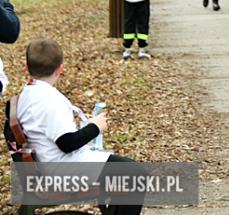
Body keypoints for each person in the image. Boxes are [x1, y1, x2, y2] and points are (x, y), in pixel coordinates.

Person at [17, 38, 147, 215]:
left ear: (26, 67)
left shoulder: (30, 93)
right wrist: (95, 127)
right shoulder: (49, 100)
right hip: (63, 168)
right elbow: (66, 143)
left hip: (50, 162)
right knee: (136, 175)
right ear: (60, 69)